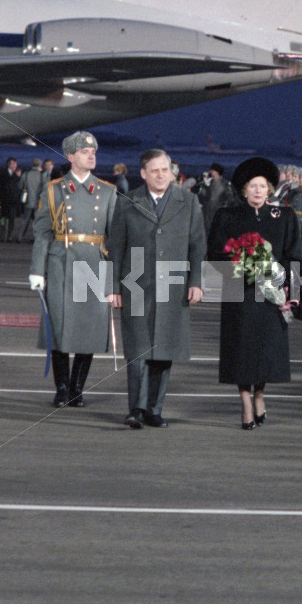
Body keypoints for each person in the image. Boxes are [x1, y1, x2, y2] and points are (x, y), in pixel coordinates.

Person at [106, 148, 206, 429]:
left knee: (164, 347)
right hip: (135, 283)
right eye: (155, 170)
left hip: (174, 284)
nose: (162, 175)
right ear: (143, 174)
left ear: (172, 172)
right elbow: (115, 247)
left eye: (166, 169)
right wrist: (112, 286)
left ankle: (154, 409)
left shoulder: (188, 201)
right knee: (138, 348)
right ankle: (136, 409)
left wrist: (196, 281)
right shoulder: (128, 200)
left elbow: (197, 245)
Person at [207, 157, 300, 429]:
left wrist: (291, 291)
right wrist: (239, 265)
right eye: (252, 186)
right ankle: (245, 402)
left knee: (265, 350)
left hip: (271, 296)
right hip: (240, 293)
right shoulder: (228, 216)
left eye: (262, 186)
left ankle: (259, 394)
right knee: (241, 349)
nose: (258, 191)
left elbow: (294, 256)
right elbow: (214, 252)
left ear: (269, 189)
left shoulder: (284, 217)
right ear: (244, 190)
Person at [29, 131, 117, 408]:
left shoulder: (108, 191)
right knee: (60, 326)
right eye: (85, 151)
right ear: (70, 157)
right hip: (61, 262)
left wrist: (115, 280)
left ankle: (78, 387)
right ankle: (62, 388)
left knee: (88, 327)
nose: (92, 155)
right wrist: (37, 270)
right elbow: (42, 232)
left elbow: (114, 238)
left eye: (93, 151)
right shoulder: (54, 189)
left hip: (93, 262)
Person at [15, 158, 44, 242]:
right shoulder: (42, 175)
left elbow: (20, 186)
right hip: (39, 202)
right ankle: (36, 238)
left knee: (25, 220)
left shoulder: (26, 174)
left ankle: (20, 237)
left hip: (28, 201)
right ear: (39, 165)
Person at [0, 157, 24, 242]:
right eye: (12, 164)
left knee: (12, 219)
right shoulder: (2, 173)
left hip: (13, 201)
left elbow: (19, 187)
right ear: (9, 164)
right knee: (3, 219)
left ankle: (9, 236)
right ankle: (2, 235)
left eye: (15, 164)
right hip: (4, 200)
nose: (14, 165)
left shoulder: (17, 174)